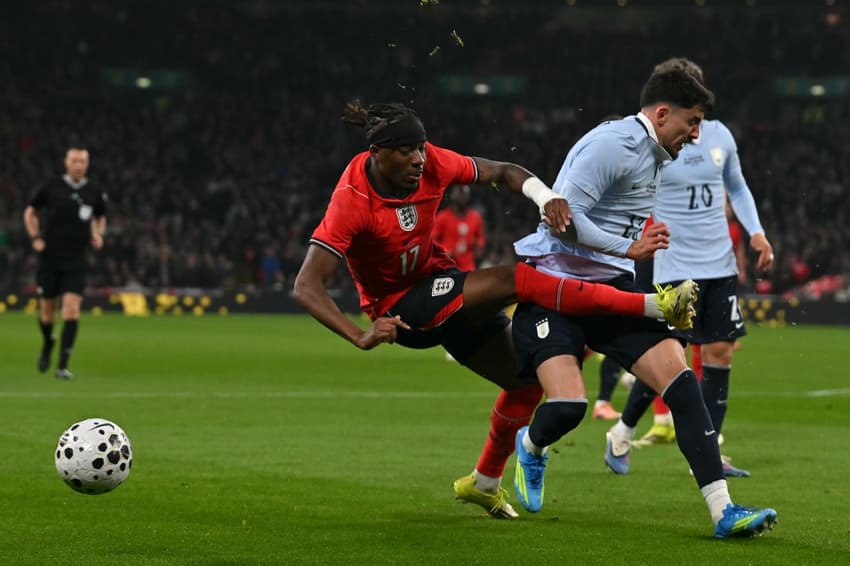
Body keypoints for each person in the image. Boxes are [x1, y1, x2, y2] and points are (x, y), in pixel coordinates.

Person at [293, 100, 697, 520]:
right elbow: (306, 285)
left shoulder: (432, 163)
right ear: (376, 154)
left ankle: (484, 482)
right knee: (512, 279)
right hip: (401, 309)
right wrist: (359, 335)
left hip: (441, 287)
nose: (418, 159)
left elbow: (504, 171)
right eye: (406, 152)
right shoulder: (353, 201)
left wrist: (545, 196)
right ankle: (651, 305)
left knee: (525, 384)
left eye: (421, 148)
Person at [508, 69, 777, 538]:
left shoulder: (656, 152)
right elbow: (561, 220)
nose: (695, 135)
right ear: (661, 112)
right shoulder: (613, 145)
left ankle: (723, 512)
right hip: (555, 289)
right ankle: (531, 445)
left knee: (682, 382)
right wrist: (628, 247)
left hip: (611, 288)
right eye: (691, 123)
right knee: (570, 406)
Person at [612, 58, 775, 479]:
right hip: (674, 266)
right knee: (671, 360)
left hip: (719, 263)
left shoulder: (720, 136)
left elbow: (737, 186)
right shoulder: (660, 140)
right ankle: (623, 430)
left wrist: (755, 233)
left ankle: (708, 456)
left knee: (720, 354)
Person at [23, 144, 107, 380]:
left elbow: (101, 216)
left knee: (71, 309)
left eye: (82, 161)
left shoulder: (94, 191)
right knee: (48, 314)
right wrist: (35, 237)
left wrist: (98, 234)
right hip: (50, 259)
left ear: (87, 164)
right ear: (66, 163)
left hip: (76, 259)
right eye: (74, 161)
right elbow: (30, 212)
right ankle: (48, 343)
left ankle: (62, 365)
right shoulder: (51, 186)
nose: (78, 165)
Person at [433, 184, 485, 272]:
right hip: (447, 264)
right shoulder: (443, 217)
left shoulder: (475, 217)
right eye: (460, 194)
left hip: (468, 265)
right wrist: (444, 252)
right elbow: (433, 240)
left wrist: (479, 247)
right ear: (454, 196)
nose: (462, 197)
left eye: (465, 194)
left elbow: (480, 237)